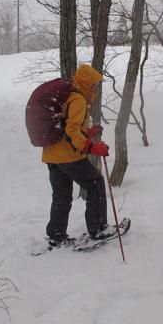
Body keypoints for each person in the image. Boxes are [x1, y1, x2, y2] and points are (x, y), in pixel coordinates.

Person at [42, 63, 111, 247]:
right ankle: (98, 229)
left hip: (52, 155)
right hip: (68, 156)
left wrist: (88, 133)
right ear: (87, 84)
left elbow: (66, 128)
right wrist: (93, 147)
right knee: (95, 183)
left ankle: (56, 235)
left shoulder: (67, 97)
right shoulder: (78, 99)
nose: (95, 89)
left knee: (62, 195)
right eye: (94, 85)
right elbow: (72, 131)